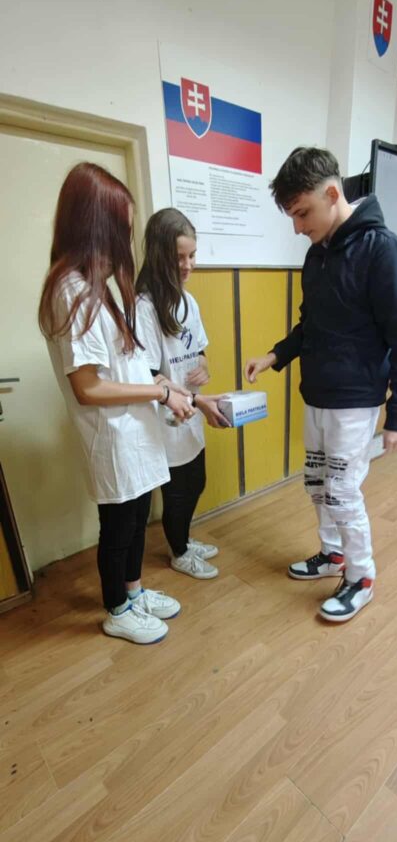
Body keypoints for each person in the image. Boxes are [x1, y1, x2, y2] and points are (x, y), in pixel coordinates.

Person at [245, 147, 397, 623]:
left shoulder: (382, 250)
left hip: (355, 400)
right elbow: (310, 324)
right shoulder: (317, 256)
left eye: (302, 213)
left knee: (343, 491)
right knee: (317, 484)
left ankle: (361, 577)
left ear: (331, 193)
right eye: (291, 216)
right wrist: (275, 355)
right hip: (318, 394)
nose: (297, 227)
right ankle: (333, 554)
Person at [39, 163, 194, 644]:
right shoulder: (69, 291)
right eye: (121, 229)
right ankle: (117, 609)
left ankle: (134, 591)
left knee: (137, 518)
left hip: (134, 433)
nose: (126, 240)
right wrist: (160, 391)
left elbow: (121, 367)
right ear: (93, 225)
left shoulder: (97, 287)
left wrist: (162, 383)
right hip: (113, 437)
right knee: (119, 527)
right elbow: (88, 387)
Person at [135, 208, 229, 580]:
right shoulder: (144, 307)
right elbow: (146, 372)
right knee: (177, 491)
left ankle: (185, 540)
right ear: (160, 256)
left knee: (196, 481)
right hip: (165, 416)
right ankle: (179, 552)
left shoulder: (188, 302)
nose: (188, 265)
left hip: (191, 409)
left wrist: (203, 364)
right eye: (179, 257)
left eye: (192, 255)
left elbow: (199, 349)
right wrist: (192, 399)